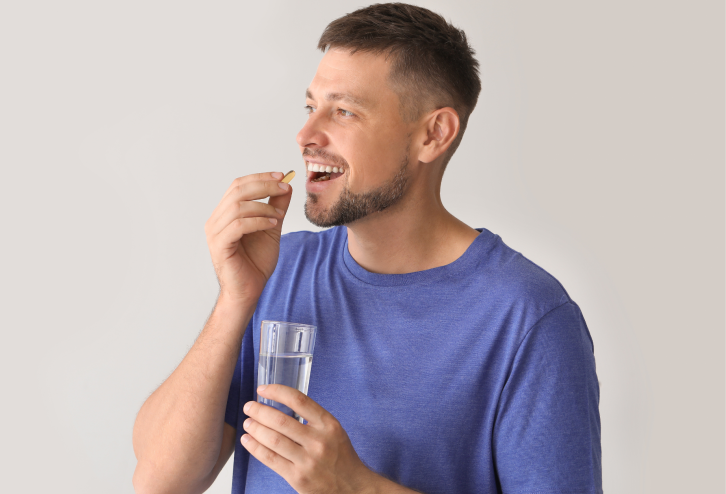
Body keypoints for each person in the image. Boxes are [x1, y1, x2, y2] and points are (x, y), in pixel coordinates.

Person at [132, 3, 602, 493]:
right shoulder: (277, 270)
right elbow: (158, 482)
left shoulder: (529, 318)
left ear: (433, 134)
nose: (307, 135)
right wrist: (235, 301)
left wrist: (357, 487)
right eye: (311, 107)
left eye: (345, 111)